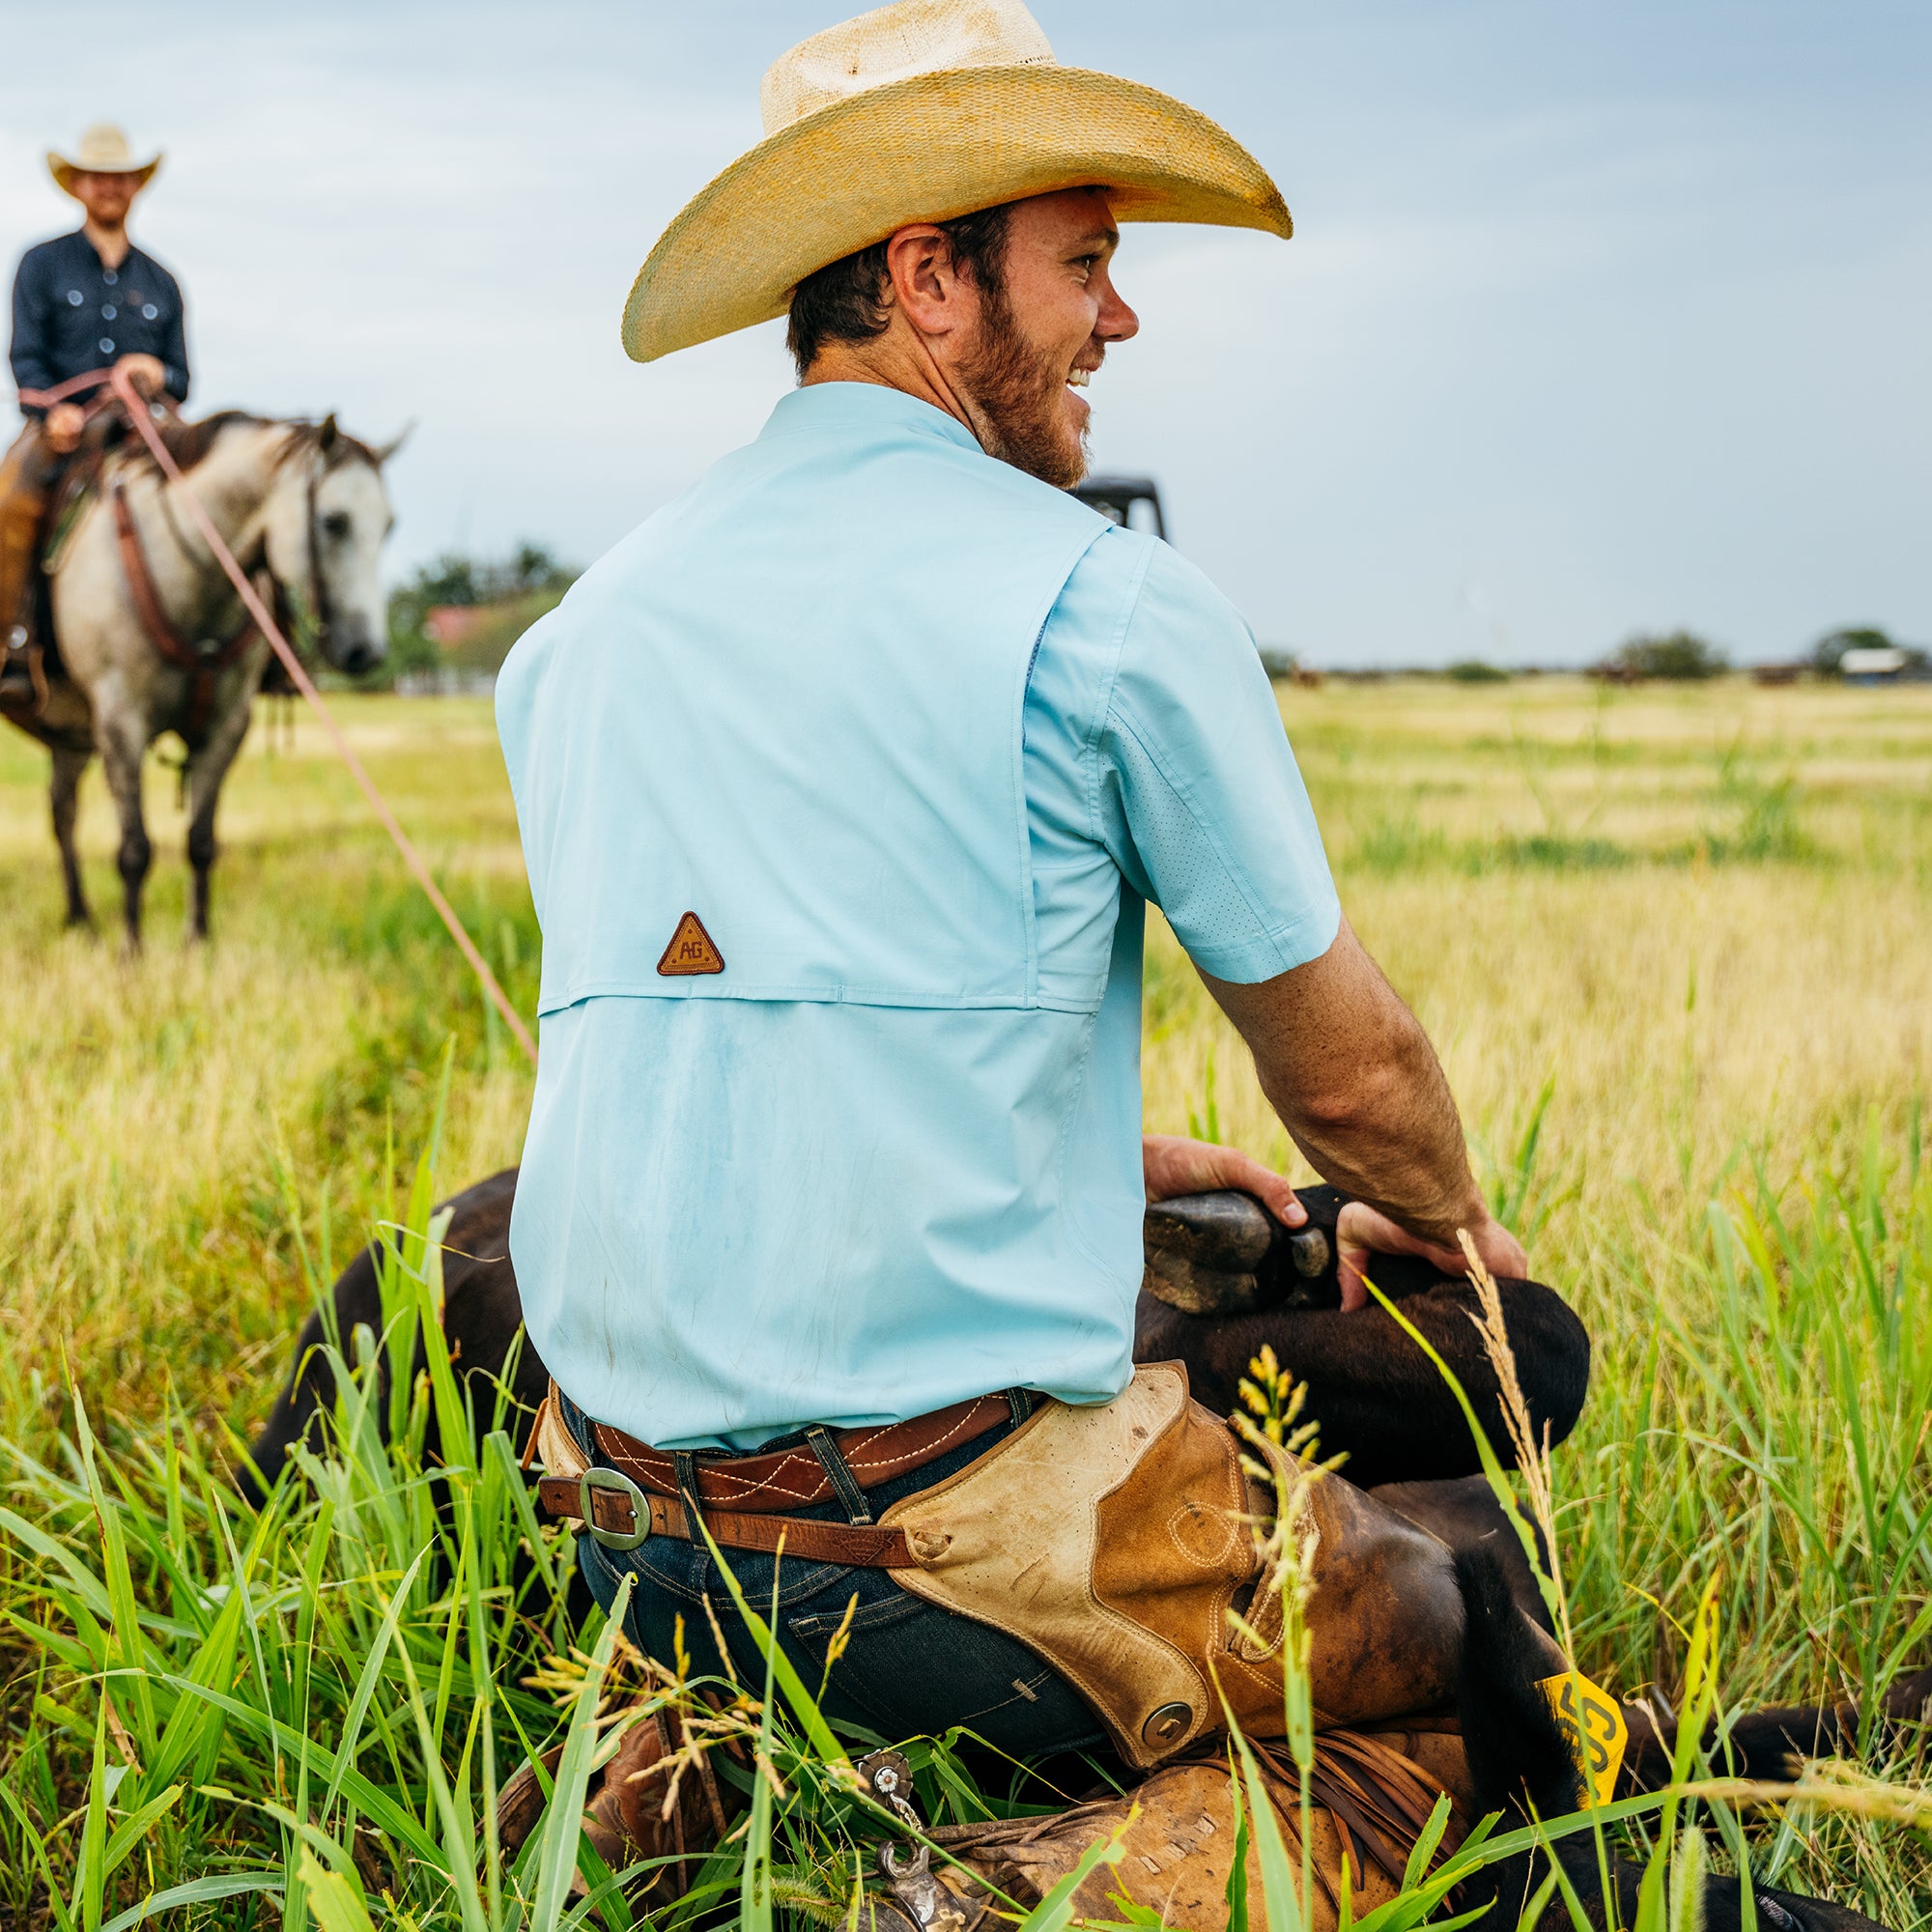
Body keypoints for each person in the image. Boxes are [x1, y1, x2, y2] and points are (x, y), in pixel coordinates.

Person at [497, 0, 1531, 1858]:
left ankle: (681, 1753)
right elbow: (1358, 1084)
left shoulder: (574, 641)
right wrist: (1459, 1229)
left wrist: (1079, 1152)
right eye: (1087, 265)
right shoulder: (1102, 606)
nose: (1118, 320)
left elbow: (720, 1032)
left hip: (620, 1531)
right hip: (946, 1528)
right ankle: (997, 1900)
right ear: (928, 278)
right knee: (1481, 1671)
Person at [2, 124, 187, 692]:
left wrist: (158, 373)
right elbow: (25, 357)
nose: (109, 187)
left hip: (140, 432)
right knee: (11, 505)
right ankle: (13, 643)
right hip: (62, 430)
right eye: (98, 177)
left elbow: (181, 377)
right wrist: (49, 412)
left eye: (120, 178)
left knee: (220, 500)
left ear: (135, 186)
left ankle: (238, 657)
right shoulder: (41, 264)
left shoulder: (162, 282)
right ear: (78, 185)